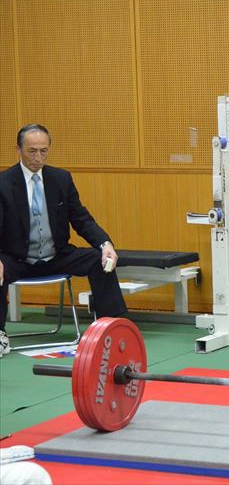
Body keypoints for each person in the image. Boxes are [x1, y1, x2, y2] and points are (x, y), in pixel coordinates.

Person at [0, 124, 128, 357]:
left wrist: (105, 244)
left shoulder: (61, 179)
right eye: (32, 151)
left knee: (97, 260)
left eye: (43, 151)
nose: (38, 158)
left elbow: (81, 219)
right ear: (18, 150)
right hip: (16, 259)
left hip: (56, 256)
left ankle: (111, 326)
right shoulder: (4, 183)